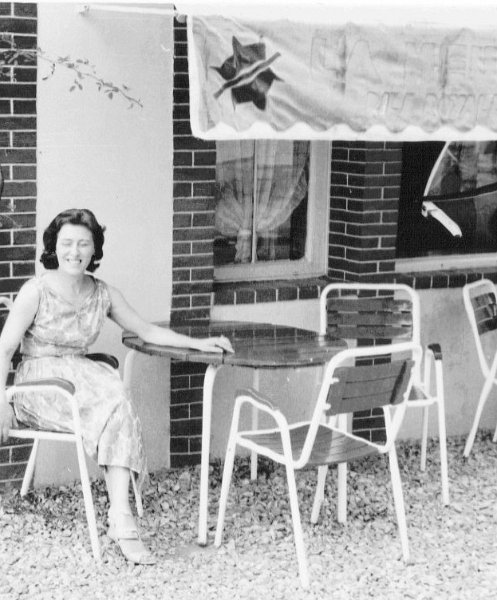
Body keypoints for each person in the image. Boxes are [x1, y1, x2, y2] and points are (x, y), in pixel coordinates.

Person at [0, 208, 234, 565]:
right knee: (114, 402)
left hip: (81, 380)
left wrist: (199, 344)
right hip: (40, 386)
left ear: (95, 250)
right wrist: (1, 400)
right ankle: (122, 519)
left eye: (83, 244)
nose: (74, 252)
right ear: (53, 247)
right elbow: (4, 349)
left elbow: (148, 330)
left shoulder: (103, 293)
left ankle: (120, 516)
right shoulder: (36, 291)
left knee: (117, 400)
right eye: (66, 244)